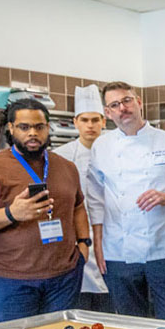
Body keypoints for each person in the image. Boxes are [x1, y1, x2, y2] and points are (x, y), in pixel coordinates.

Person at [0, 99, 89, 324]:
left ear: (48, 128)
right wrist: (11, 213)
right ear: (11, 128)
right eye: (24, 127)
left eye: (39, 127)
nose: (32, 133)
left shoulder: (66, 167)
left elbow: (77, 206)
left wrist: (84, 245)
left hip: (64, 277)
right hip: (10, 281)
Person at [88, 82, 165, 322]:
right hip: (118, 251)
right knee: (130, 323)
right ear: (108, 113)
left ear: (139, 102)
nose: (122, 108)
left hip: (164, 250)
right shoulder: (102, 147)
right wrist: (98, 243)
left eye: (127, 100)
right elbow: (95, 200)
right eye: (114, 105)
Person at [52, 85, 112, 313]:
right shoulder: (60, 156)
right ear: (76, 122)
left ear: (104, 121)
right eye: (85, 120)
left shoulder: (115, 149)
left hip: (112, 234)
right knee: (81, 305)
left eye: (95, 120)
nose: (90, 125)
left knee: (112, 305)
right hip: (79, 238)